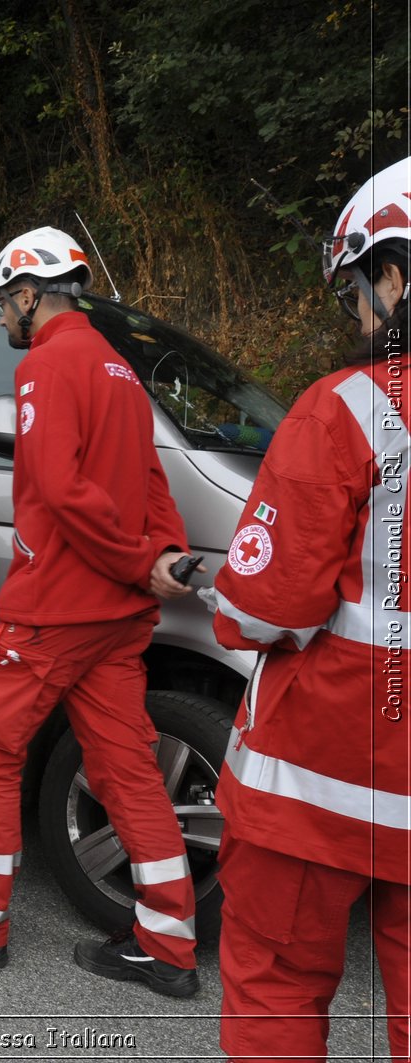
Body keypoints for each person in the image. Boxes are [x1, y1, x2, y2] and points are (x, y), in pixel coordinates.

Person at [0, 226, 202, 998]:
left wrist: (133, 558)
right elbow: (152, 485)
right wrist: (160, 555)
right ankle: (167, 941)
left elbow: (59, 490)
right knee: (129, 768)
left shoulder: (48, 366)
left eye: (2, 304)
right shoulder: (120, 371)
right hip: (118, 618)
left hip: (56, 607)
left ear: (30, 293)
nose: (0, 319)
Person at [211, 156, 411, 1060]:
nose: (358, 318)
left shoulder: (353, 408)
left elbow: (262, 606)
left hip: (327, 765)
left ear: (397, 273)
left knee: (277, 982)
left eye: (357, 292)